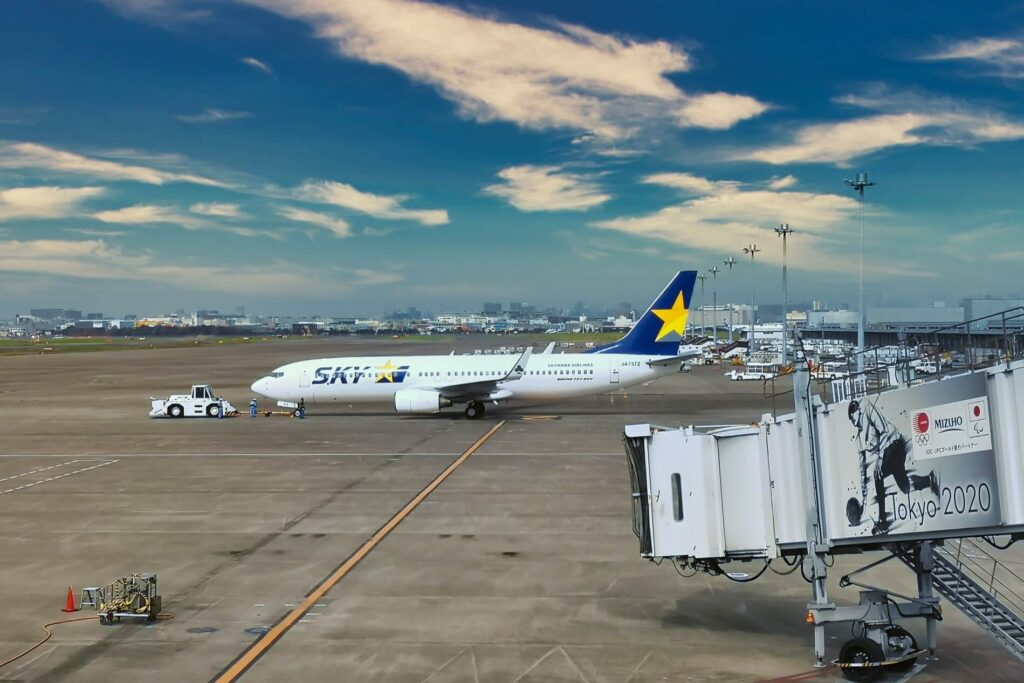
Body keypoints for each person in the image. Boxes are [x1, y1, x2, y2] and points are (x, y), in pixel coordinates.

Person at [847, 399, 938, 535]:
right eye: (850, 419)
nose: (853, 421)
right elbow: (863, 470)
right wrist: (863, 501)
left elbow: (883, 430)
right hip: (889, 455)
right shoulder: (859, 439)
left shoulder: (866, 407)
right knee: (905, 487)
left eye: (853, 416)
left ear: (858, 410)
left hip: (895, 444)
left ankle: (883, 522)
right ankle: (930, 480)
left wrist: (880, 458)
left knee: (878, 475)